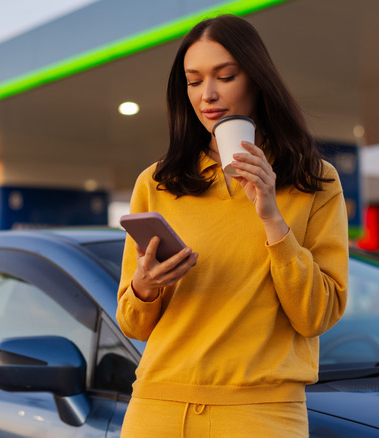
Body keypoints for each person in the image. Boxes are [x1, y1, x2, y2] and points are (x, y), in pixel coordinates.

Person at [116, 14, 348, 437]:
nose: (208, 95)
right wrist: (145, 288)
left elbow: (318, 315)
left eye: (225, 76)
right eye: (194, 80)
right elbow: (133, 325)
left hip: (262, 414)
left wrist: (271, 218)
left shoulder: (315, 179)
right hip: (156, 409)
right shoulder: (157, 182)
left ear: (257, 80)